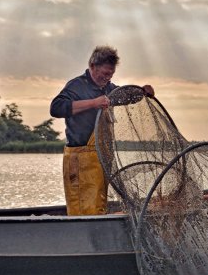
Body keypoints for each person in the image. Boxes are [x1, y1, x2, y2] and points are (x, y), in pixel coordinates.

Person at [50, 45, 154, 215]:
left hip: (101, 159)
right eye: (105, 73)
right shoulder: (76, 86)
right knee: (82, 209)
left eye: (110, 75)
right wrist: (92, 103)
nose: (107, 78)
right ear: (92, 66)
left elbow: (125, 97)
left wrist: (142, 92)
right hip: (80, 159)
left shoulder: (108, 88)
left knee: (98, 205)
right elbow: (56, 108)